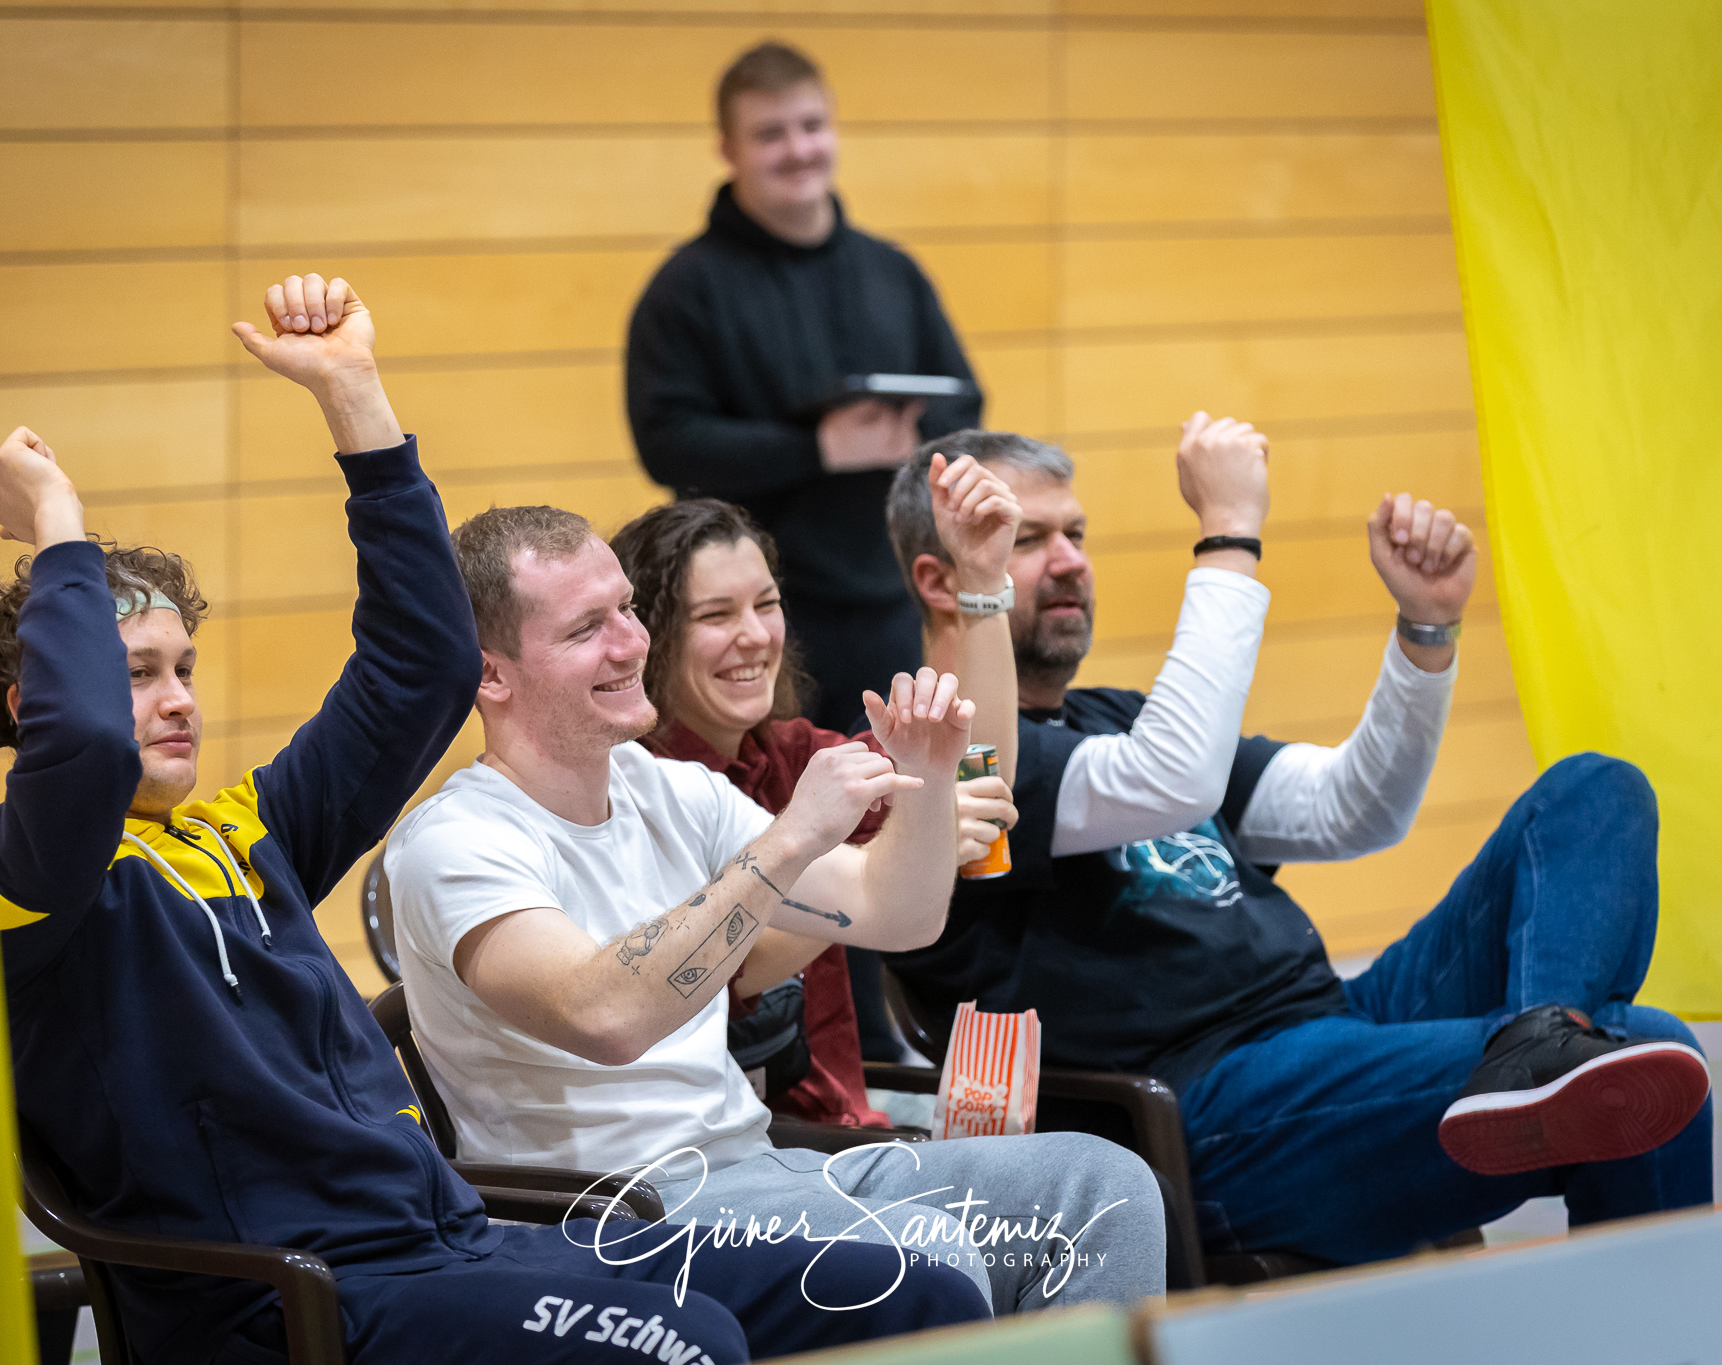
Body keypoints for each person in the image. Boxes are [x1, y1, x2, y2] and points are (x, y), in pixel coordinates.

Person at [0, 272, 986, 1365]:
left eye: (183, 668)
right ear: (37, 702)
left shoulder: (244, 833)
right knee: (684, 1341)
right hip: (285, 1304)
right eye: (134, 673)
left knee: (908, 1292)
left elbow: (426, 662)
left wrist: (352, 394)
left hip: (446, 1244)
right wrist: (59, 528)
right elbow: (83, 751)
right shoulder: (28, 878)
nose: (178, 699)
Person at [879, 420, 1714, 1267]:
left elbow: (1351, 808)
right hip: (1216, 1109)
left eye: (1077, 533)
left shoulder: (1117, 718)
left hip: (1338, 1024)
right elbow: (1175, 778)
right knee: (1652, 1052)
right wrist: (1229, 531)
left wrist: (1426, 632)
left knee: (1595, 791)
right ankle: (1545, 1076)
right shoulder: (938, 759)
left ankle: (1541, 1043)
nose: (1070, 560)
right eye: (1027, 539)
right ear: (944, 577)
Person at [384, 503, 1165, 1315]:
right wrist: (790, 838)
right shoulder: (456, 840)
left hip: (759, 1168)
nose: (631, 642)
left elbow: (895, 914)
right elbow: (606, 1016)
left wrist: (930, 781)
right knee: (925, 1251)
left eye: (627, 609)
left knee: (1101, 1189)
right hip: (610, 1218)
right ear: (491, 673)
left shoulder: (674, 789)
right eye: (587, 628)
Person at [606, 456, 1020, 1129]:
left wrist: (981, 582)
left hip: (840, 1124)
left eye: (766, 604)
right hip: (729, 1146)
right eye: (716, 614)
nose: (754, 635)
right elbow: (729, 972)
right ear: (647, 637)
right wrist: (877, 861)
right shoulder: (627, 785)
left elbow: (977, 769)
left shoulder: (792, 752)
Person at [625, 40, 981, 736]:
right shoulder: (684, 289)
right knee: (772, 796)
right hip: (751, 617)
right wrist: (817, 448)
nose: (797, 150)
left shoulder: (892, 271)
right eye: (770, 134)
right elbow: (667, 442)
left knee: (895, 788)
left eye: (812, 126)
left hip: (889, 601)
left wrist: (905, 434)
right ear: (728, 149)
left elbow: (965, 401)